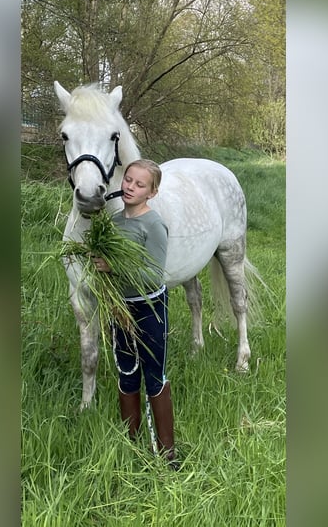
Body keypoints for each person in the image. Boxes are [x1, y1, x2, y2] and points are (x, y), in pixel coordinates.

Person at [92, 159, 179, 470]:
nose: (130, 186)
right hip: (120, 306)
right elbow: (107, 269)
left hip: (149, 308)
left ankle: (167, 453)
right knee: (127, 371)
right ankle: (131, 441)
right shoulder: (115, 223)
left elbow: (155, 275)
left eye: (139, 184)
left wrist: (113, 266)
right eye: (128, 180)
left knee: (153, 375)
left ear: (151, 192)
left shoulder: (153, 225)